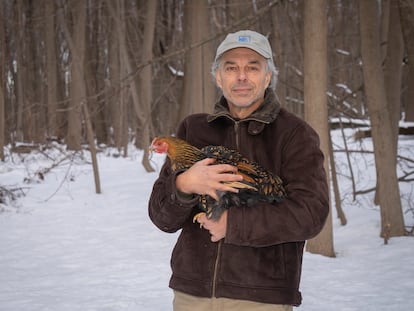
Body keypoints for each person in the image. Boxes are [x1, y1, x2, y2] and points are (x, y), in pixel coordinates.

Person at [148, 30, 329, 310]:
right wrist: (185, 184)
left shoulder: (294, 134)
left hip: (260, 297)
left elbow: (310, 213)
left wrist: (232, 225)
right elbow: (162, 217)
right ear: (219, 77)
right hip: (191, 295)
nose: (241, 76)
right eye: (231, 68)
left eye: (252, 67)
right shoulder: (193, 129)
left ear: (267, 77)